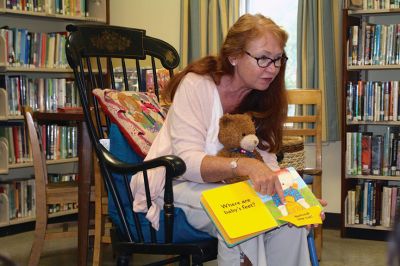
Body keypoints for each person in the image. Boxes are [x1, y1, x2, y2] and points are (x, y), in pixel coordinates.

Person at [131, 13, 325, 266]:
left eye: (278, 59)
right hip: (173, 184)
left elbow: (265, 159)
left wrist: (296, 200)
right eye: (263, 58)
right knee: (247, 217)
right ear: (233, 56)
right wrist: (243, 166)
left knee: (291, 223)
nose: (273, 69)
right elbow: (185, 162)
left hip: (227, 188)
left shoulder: (264, 96)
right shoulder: (196, 85)